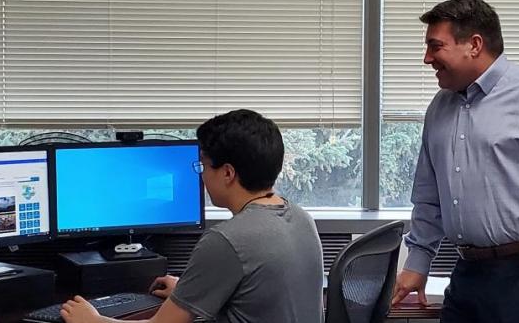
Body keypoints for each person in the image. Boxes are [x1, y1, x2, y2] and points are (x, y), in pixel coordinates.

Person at [60, 109, 325, 323]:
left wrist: (92, 321)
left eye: (203, 165)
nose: (202, 176)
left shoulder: (227, 240)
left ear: (228, 173)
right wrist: (188, 294)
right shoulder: (302, 219)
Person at [391, 0, 519, 323]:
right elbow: (429, 196)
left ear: (474, 45)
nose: (427, 59)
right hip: (465, 274)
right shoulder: (440, 107)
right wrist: (417, 265)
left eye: (435, 46)